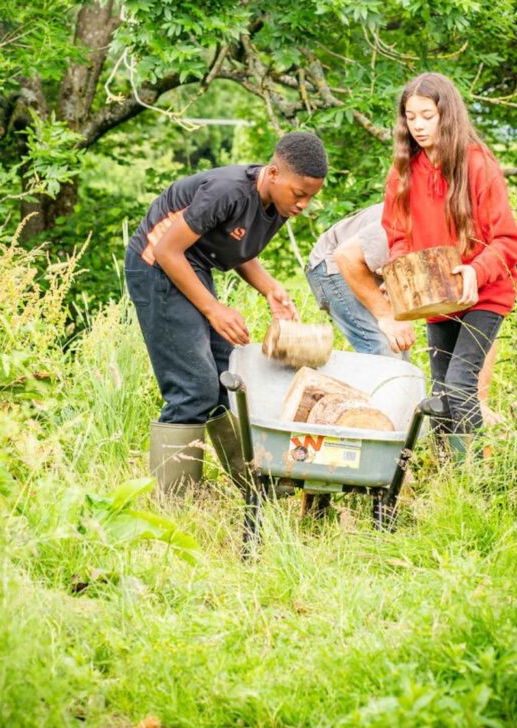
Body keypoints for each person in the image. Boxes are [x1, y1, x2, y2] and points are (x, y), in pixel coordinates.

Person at [125, 131, 328, 495]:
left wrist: (270, 288)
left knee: (228, 379)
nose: (304, 204)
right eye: (300, 194)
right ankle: (174, 500)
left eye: (311, 197)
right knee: (194, 386)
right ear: (273, 173)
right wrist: (214, 309)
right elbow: (169, 250)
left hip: (191, 266)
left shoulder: (278, 204)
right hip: (156, 264)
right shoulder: (227, 190)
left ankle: (256, 485)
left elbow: (238, 247)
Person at [382, 73, 517, 462]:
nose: (419, 125)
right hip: (437, 296)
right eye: (411, 117)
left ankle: (475, 478)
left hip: (484, 293)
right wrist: (402, 271)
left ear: (448, 115)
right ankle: (448, 477)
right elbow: (396, 233)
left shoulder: (478, 163)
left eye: (427, 116)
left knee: (461, 385)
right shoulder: (403, 170)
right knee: (441, 394)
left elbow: (509, 240)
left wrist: (476, 270)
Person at [305, 204, 415, 358]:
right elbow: (345, 256)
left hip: (368, 265)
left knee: (399, 341)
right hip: (334, 263)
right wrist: (385, 315)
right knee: (384, 345)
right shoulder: (405, 224)